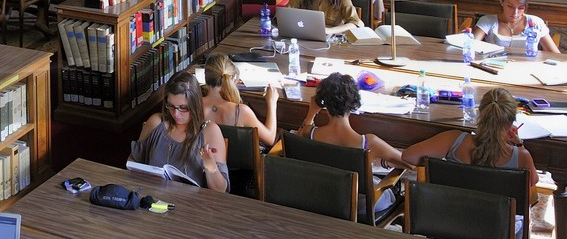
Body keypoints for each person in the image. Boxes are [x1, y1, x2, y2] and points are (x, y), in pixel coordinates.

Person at [297, 72, 407, 213]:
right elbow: (409, 163)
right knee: (393, 189)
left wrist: (311, 112)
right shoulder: (369, 142)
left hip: (321, 199)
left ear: (322, 103)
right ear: (354, 103)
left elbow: (295, 144)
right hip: (360, 206)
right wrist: (385, 162)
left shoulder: (309, 134)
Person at [403, 85, 538, 185]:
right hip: (495, 216)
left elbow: (408, 156)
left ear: (480, 113)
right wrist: (519, 145)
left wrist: (439, 169)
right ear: (512, 122)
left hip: (450, 213)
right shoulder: (521, 156)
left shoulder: (452, 140)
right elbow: (531, 182)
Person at [130, 69, 228, 191]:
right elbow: (132, 163)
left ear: (195, 105)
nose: (176, 114)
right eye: (171, 106)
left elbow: (220, 190)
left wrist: (210, 166)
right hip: (153, 196)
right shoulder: (156, 123)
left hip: (190, 201)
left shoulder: (210, 131)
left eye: (183, 108)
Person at [200, 53, 279, 147]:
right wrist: (272, 103)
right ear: (231, 78)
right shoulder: (241, 111)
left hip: (201, 155)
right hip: (235, 157)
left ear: (205, 76)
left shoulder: (194, 104)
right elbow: (270, 139)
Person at [473, 0, 561, 54]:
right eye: (510, 6)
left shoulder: (535, 22)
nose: (515, 13)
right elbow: (471, 48)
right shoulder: (488, 22)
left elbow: (556, 55)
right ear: (501, 1)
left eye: (521, 8)